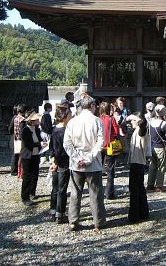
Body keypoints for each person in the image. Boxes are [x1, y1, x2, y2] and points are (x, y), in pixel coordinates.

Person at [63, 95, 106, 231]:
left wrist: (77, 158)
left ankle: (73, 221)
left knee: (75, 192)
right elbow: (101, 142)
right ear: (92, 106)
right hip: (93, 163)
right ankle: (98, 222)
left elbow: (67, 144)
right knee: (96, 193)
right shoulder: (97, 121)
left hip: (77, 163)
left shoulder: (72, 122)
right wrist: (90, 158)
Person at [49, 106, 72, 223]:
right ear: (64, 117)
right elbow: (60, 150)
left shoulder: (54, 130)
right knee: (61, 189)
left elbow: (51, 148)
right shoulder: (64, 131)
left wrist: (53, 161)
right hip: (63, 162)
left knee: (55, 188)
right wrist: (56, 161)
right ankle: (60, 214)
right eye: (69, 115)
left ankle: (53, 212)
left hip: (55, 161)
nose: (71, 117)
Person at [126, 113, 150, 224]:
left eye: (133, 121)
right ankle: (143, 213)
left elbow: (143, 125)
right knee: (139, 189)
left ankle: (134, 216)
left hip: (138, 162)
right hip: (137, 162)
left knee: (135, 190)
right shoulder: (137, 131)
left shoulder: (142, 131)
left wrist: (134, 117)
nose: (131, 123)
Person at [20, 112, 43, 206]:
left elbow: (39, 139)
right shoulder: (25, 130)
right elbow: (27, 144)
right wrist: (38, 144)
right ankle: (25, 197)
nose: (38, 121)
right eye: (37, 120)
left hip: (36, 154)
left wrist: (42, 143)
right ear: (32, 121)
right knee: (27, 176)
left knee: (35, 174)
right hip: (27, 155)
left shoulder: (37, 129)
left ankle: (32, 192)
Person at [99, 101, 120, 199]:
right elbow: (116, 131)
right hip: (109, 146)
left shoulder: (97, 119)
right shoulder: (112, 119)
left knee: (98, 170)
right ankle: (109, 193)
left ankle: (98, 191)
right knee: (110, 170)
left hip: (99, 147)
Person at [146, 104, 166, 192]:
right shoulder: (163, 123)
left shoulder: (150, 121)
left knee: (152, 165)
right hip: (160, 147)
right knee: (161, 166)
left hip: (151, 146)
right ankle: (159, 185)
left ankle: (150, 184)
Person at [12, 104, 26, 176]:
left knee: (17, 156)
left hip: (16, 139)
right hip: (21, 140)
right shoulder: (22, 120)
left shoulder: (15, 118)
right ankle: (21, 173)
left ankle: (18, 172)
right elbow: (22, 131)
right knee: (22, 157)